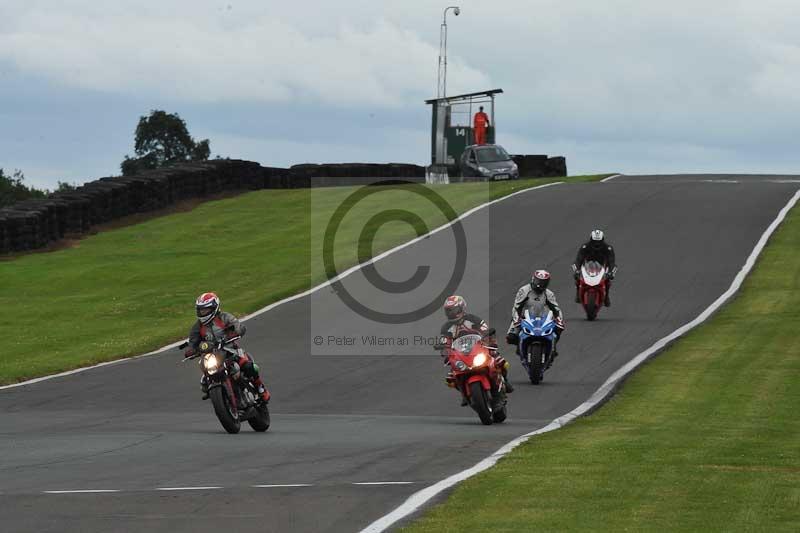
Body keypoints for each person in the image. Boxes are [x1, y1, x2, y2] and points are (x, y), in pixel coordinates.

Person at [184, 292, 270, 402]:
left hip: (230, 349)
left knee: (249, 367)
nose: (202, 312)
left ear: (214, 308)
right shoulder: (198, 327)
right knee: (204, 382)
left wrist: (236, 332)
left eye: (205, 310)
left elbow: (237, 326)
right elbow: (193, 341)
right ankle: (221, 397)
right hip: (211, 356)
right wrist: (191, 350)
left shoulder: (224, 317)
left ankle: (260, 388)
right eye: (200, 310)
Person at [437, 295, 514, 396]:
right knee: (451, 378)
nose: (452, 314)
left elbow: (485, 330)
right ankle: (464, 393)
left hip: (479, 347)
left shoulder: (472, 319)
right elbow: (444, 342)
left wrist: (491, 342)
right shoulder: (446, 328)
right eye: (449, 311)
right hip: (460, 354)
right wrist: (446, 353)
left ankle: (505, 380)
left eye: (454, 310)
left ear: (462, 308)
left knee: (500, 361)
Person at [505, 270, 565, 362]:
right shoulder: (524, 290)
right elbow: (516, 307)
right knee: (511, 337)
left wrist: (559, 320)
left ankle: (553, 348)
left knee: (558, 329)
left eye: (543, 282)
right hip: (525, 318)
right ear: (533, 279)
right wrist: (517, 318)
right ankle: (520, 347)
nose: (540, 285)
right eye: (539, 281)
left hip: (543, 319)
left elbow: (556, 309)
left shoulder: (549, 294)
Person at [572, 229, 617, 306]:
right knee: (577, 276)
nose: (597, 244)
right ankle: (578, 292)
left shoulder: (608, 248)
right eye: (595, 242)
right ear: (591, 240)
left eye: (599, 242)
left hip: (602, 266)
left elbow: (612, 262)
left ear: (602, 240)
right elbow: (578, 260)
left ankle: (606, 296)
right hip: (587, 265)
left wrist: (611, 272)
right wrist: (576, 270)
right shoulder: (585, 247)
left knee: (608, 279)